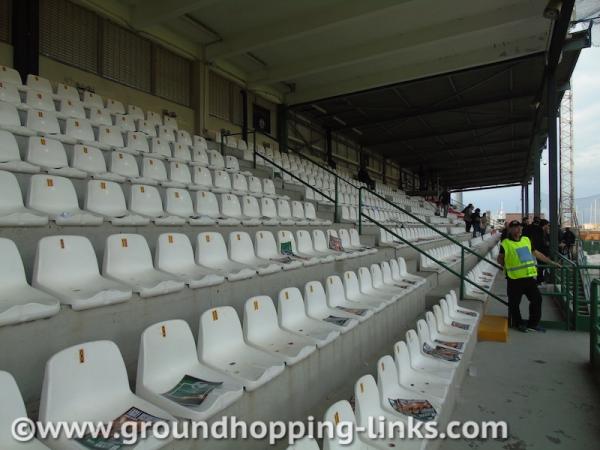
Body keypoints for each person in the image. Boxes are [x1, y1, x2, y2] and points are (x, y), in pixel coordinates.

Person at [497, 220, 559, 332]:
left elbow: (537, 254)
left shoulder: (526, 240)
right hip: (514, 279)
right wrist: (506, 266)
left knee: (537, 299)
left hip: (528, 278)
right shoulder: (505, 243)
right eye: (515, 227)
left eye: (520, 227)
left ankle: (533, 324)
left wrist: (552, 263)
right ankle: (519, 323)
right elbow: (500, 259)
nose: (518, 229)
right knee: (514, 304)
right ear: (510, 229)